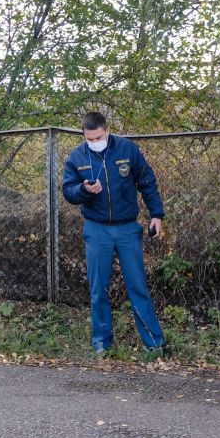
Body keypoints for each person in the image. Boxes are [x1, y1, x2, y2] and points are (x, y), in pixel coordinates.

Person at [62, 111, 169, 358]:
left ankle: (155, 344)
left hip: (127, 228)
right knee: (98, 288)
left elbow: (147, 182)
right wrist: (84, 190)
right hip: (96, 229)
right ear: (84, 136)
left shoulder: (128, 149)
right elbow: (68, 192)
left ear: (107, 131)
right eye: (90, 138)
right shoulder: (77, 156)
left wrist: (157, 214)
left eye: (98, 136)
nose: (94, 141)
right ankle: (102, 343)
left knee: (138, 286)